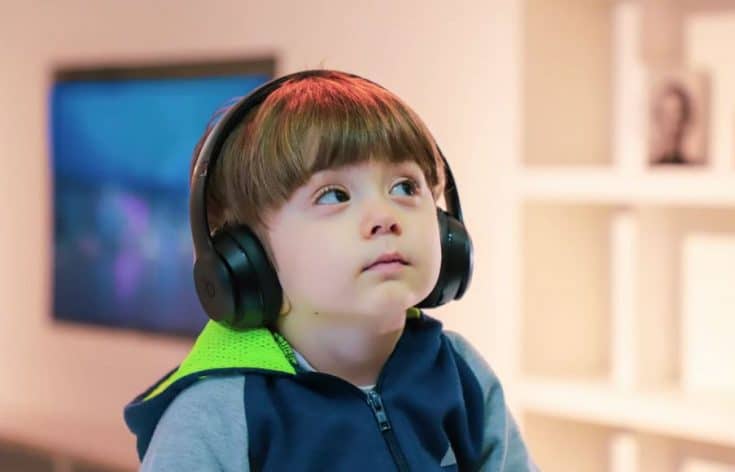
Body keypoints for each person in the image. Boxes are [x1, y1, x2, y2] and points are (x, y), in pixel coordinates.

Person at [124, 69, 537, 471]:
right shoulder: (217, 415)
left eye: (405, 187)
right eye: (334, 195)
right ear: (246, 257)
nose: (384, 217)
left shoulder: (460, 373)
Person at [650, 82, 693, 165]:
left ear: (685, 119)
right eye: (665, 113)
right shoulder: (650, 164)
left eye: (676, 113)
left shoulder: (695, 167)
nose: (670, 121)